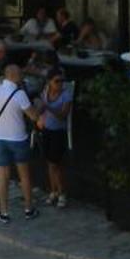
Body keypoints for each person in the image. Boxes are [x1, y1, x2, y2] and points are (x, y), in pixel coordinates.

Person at [0, 61, 38, 224]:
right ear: (15, 77)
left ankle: (4, 212)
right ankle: (28, 209)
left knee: (3, 175)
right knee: (24, 175)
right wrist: (39, 107)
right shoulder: (20, 95)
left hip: (0, 139)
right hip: (18, 138)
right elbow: (33, 116)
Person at [36, 70, 74, 207]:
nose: (60, 84)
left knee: (55, 164)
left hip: (59, 132)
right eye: (57, 81)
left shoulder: (66, 95)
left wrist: (48, 107)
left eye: (61, 81)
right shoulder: (46, 92)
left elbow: (63, 115)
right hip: (47, 130)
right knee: (49, 163)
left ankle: (61, 192)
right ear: (49, 82)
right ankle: (54, 191)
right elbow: (40, 110)